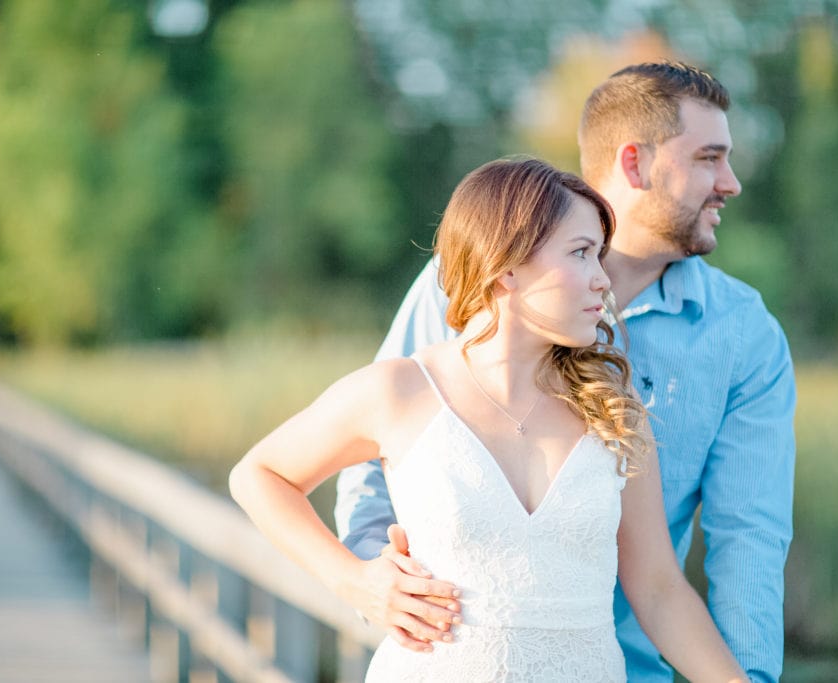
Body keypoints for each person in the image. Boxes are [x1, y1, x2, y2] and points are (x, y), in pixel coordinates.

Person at [335, 62, 796, 682]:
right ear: (635, 164)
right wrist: (369, 581)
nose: (731, 183)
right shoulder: (473, 280)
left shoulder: (745, 336)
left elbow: (749, 543)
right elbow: (370, 461)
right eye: (710, 157)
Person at [231, 157, 747, 681]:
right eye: (582, 254)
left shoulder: (613, 406)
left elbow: (659, 590)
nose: (603, 281)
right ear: (507, 265)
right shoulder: (400, 390)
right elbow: (259, 476)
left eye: (600, 256)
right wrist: (352, 580)